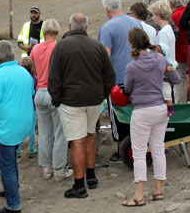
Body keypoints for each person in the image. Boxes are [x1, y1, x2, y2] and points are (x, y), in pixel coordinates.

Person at [48, 13, 116, 199]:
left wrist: (57, 100)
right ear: (86, 28)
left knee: (76, 140)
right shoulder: (97, 47)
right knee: (89, 136)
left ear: (69, 27)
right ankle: (91, 176)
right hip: (94, 100)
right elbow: (110, 76)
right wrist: (102, 94)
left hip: (71, 102)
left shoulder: (61, 47)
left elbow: (53, 78)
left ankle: (79, 185)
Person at [123, 28, 181, 205]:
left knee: (139, 152)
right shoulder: (160, 58)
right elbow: (176, 78)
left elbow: (127, 88)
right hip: (160, 108)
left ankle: (139, 195)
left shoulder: (132, 66)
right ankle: (158, 190)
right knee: (158, 148)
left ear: (132, 43)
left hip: (142, 109)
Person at [0, 40, 35, 213]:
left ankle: (13, 203)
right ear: (12, 55)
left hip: (5, 127)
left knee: (6, 165)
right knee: (10, 160)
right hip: (22, 124)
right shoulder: (24, 73)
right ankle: (11, 187)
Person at [99, 0, 147, 161]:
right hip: (140, 76)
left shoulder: (106, 28)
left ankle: (121, 149)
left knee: (118, 117)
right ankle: (140, 145)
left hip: (118, 81)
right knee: (138, 112)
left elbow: (105, 56)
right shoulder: (136, 23)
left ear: (106, 9)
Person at [30, 19, 70, 180]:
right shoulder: (59, 47)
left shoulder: (35, 49)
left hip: (40, 92)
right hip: (55, 92)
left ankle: (46, 167)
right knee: (60, 132)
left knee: (45, 132)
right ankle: (59, 168)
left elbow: (33, 69)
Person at [149, 0, 177, 116]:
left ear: (158, 16)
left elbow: (162, 54)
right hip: (169, 68)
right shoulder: (168, 29)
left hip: (165, 72)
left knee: (166, 97)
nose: (152, 17)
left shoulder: (163, 33)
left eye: (153, 14)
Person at [167, 0, 189, 104]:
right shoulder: (188, 11)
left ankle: (181, 105)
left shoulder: (174, 16)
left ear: (171, 3)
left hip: (179, 53)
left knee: (179, 82)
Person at [18, 56, 38, 158]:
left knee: (19, 128)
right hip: (32, 107)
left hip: (21, 106)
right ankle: (31, 148)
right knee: (31, 129)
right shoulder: (34, 79)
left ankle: (17, 149)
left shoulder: (19, 79)